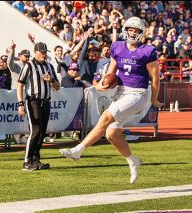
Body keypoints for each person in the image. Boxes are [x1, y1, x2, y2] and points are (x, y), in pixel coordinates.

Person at [59, 16, 163, 184]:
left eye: (136, 30)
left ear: (141, 33)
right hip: (120, 92)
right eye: (130, 29)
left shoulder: (147, 50)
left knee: (106, 117)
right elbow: (111, 72)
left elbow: (155, 79)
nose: (132, 33)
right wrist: (100, 85)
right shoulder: (117, 47)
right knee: (111, 134)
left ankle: (78, 150)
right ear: (125, 30)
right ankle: (132, 160)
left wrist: (154, 99)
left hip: (137, 93)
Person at [17, 42, 60, 171]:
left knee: (42, 132)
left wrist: (51, 80)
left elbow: (57, 87)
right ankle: (27, 161)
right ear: (35, 52)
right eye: (41, 52)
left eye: (45, 52)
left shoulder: (49, 66)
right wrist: (20, 104)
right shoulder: (29, 65)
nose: (44, 54)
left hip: (46, 102)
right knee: (35, 131)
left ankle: (35, 159)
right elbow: (20, 84)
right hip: (33, 101)